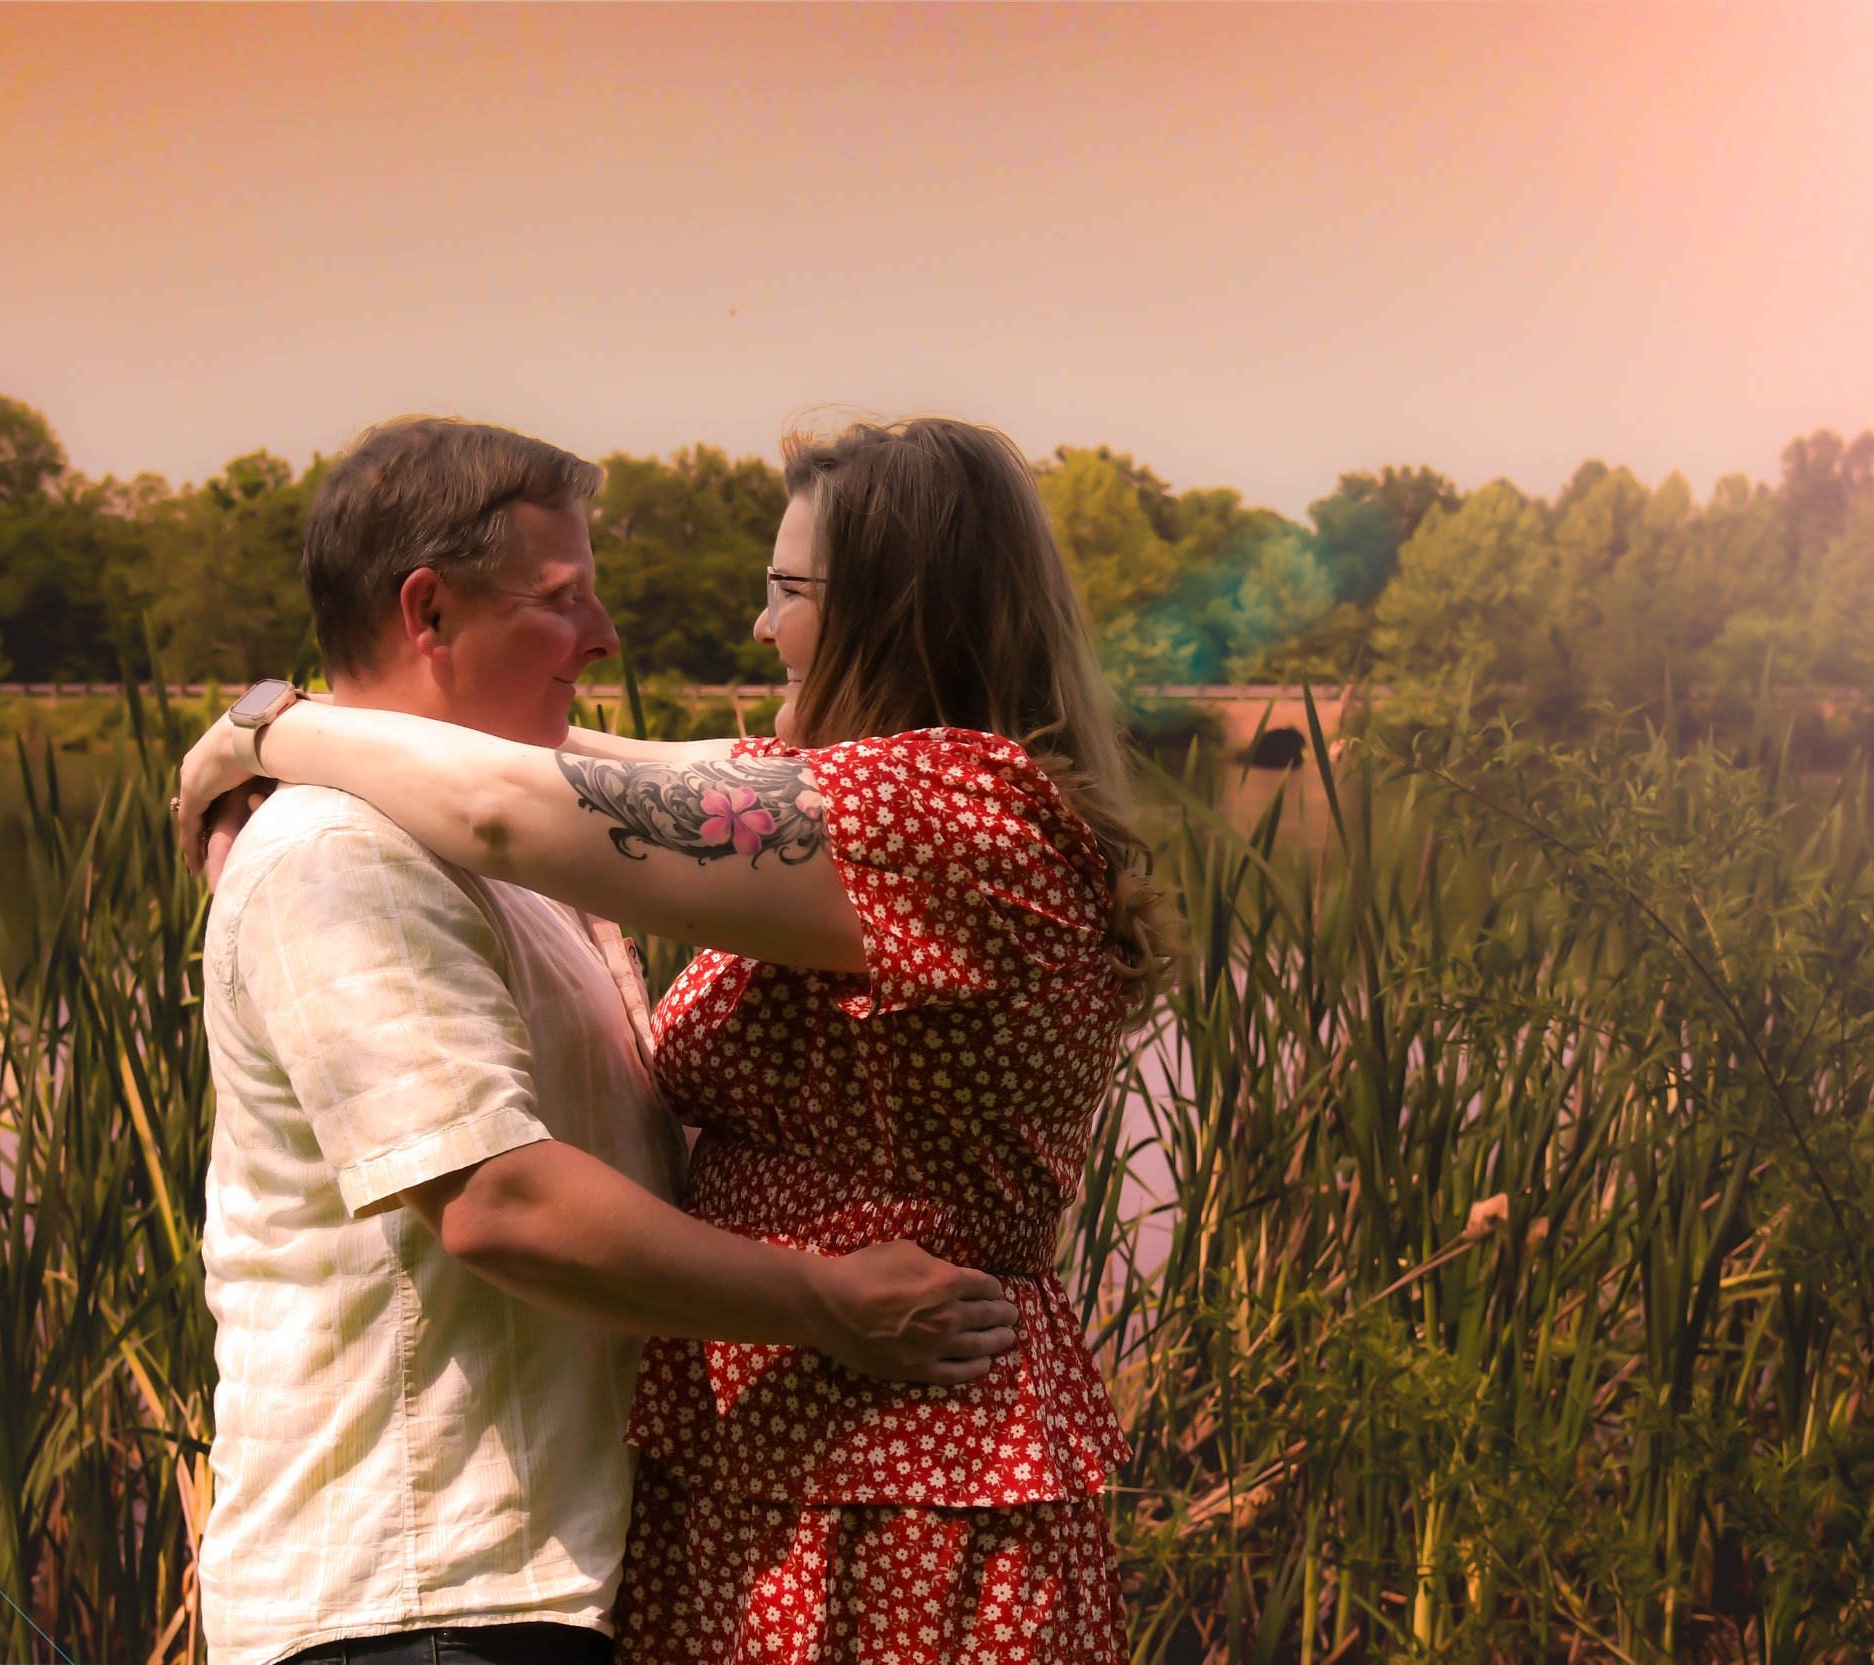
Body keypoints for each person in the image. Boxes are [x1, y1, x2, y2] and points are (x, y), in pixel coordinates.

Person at [180, 415, 1174, 1663]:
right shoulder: (852, 794)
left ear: (889, 603)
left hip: (897, 1466)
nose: (759, 626)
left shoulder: (944, 812)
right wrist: (300, 740)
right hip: (767, 1468)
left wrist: (267, 728)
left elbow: (504, 801)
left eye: (786, 590)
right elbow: (570, 768)